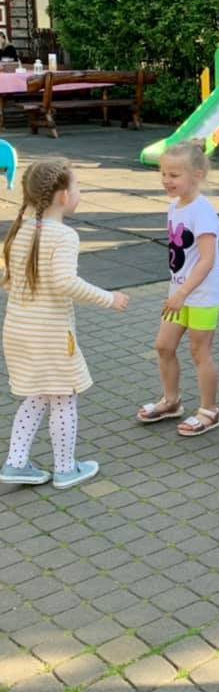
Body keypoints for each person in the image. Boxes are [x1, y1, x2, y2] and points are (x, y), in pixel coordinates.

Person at [0, 158, 129, 489]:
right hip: (50, 334)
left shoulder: (20, 230)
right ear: (62, 196)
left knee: (39, 395)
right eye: (78, 186)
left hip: (17, 329)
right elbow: (65, 282)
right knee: (64, 397)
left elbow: (9, 281)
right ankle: (66, 469)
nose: (79, 192)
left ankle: (16, 463)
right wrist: (109, 298)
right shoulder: (64, 235)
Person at [137, 141, 219, 436]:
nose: (166, 180)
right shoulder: (175, 206)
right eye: (163, 173)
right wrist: (177, 293)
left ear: (197, 175)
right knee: (164, 346)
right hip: (179, 293)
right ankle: (171, 401)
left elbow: (207, 260)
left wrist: (182, 293)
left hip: (201, 296)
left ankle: (210, 411)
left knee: (200, 352)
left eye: (174, 175)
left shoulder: (203, 212)